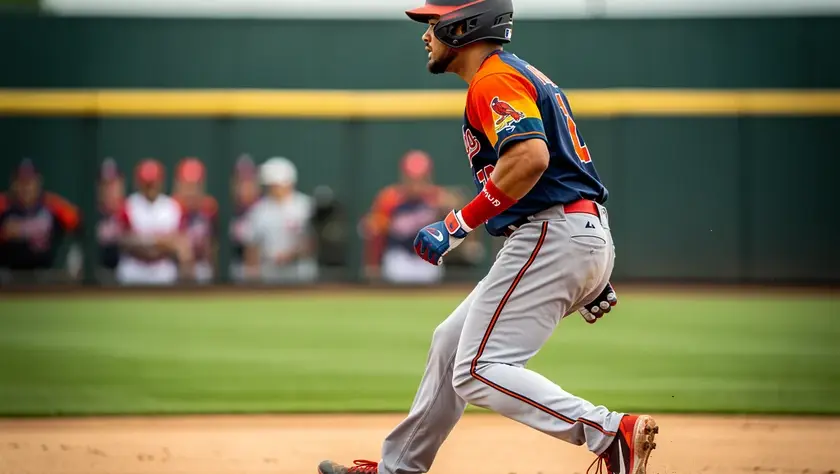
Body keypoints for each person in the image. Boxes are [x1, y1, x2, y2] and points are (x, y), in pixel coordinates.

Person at [317, 2, 652, 474]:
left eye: (434, 23)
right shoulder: (514, 74)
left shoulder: (493, 79)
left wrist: (457, 224)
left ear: (464, 25)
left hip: (553, 232)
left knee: (477, 369)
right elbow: (559, 169)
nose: (426, 35)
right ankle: (399, 469)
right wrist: (586, 270)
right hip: (570, 231)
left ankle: (608, 432)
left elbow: (530, 158)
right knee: (450, 343)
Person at [362, 150, 456, 284]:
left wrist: (444, 205)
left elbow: (459, 210)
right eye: (412, 179)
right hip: (399, 257)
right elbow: (373, 231)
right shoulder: (390, 198)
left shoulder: (438, 198)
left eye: (421, 179)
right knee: (398, 270)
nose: (416, 184)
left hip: (428, 259)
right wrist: (373, 264)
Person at [0, 159, 81, 284]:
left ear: (38, 182)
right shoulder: (4, 205)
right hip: (7, 276)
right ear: (13, 184)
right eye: (22, 182)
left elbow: (79, 222)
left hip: (45, 276)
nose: (26, 188)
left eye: (30, 182)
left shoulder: (52, 205)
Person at [115, 158, 193, 285]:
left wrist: (144, 240)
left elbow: (180, 243)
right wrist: (161, 241)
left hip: (162, 269)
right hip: (134, 268)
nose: (151, 187)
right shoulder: (129, 205)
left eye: (153, 183)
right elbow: (123, 241)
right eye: (147, 183)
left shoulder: (172, 206)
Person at [242, 157, 317, 284]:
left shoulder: (305, 206)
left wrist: (291, 254)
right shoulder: (259, 210)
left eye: (275, 184)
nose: (273, 188)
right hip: (270, 273)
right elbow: (251, 246)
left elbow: (313, 242)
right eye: (270, 185)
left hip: (301, 273)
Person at [173, 157, 219, 284]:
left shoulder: (209, 208)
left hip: (202, 267)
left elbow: (213, 245)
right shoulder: (171, 208)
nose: (191, 191)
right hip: (174, 269)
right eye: (187, 186)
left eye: (195, 186)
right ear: (178, 185)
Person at [95, 158, 125, 282]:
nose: (109, 189)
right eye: (104, 184)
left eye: (113, 184)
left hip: (127, 279)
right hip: (97, 279)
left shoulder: (132, 212)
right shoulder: (90, 215)